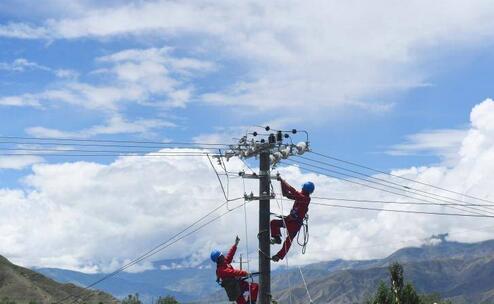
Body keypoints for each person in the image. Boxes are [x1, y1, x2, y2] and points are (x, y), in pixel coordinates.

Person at [270, 177, 314, 262]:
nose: (301, 190)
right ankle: (277, 238)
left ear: (304, 189)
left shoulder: (304, 198)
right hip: (289, 220)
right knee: (274, 223)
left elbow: (292, 190)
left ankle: (279, 256)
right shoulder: (300, 197)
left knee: (288, 240)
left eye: (302, 188)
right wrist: (282, 183)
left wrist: (282, 181)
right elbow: (286, 194)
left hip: (295, 224)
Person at [211, 236, 259, 304]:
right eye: (221, 256)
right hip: (234, 290)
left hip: (239, 284)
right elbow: (232, 272)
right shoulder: (220, 270)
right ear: (218, 259)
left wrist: (235, 244)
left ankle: (251, 302)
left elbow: (230, 255)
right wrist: (245, 273)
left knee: (254, 286)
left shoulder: (224, 263)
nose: (223, 256)